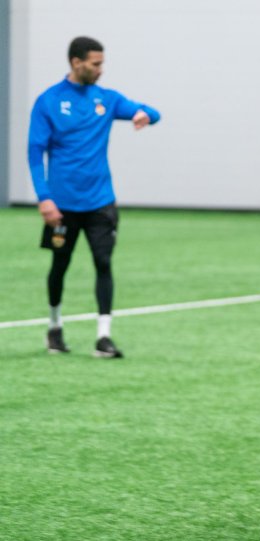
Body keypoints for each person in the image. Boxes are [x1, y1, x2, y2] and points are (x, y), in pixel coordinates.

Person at [28, 36, 161, 358]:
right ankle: (54, 328)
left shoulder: (107, 99)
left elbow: (152, 112)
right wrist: (44, 198)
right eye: (95, 63)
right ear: (77, 62)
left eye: (102, 63)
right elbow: (35, 153)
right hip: (62, 206)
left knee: (103, 262)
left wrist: (145, 114)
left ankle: (104, 337)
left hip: (100, 202)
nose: (101, 69)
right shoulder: (49, 101)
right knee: (60, 265)